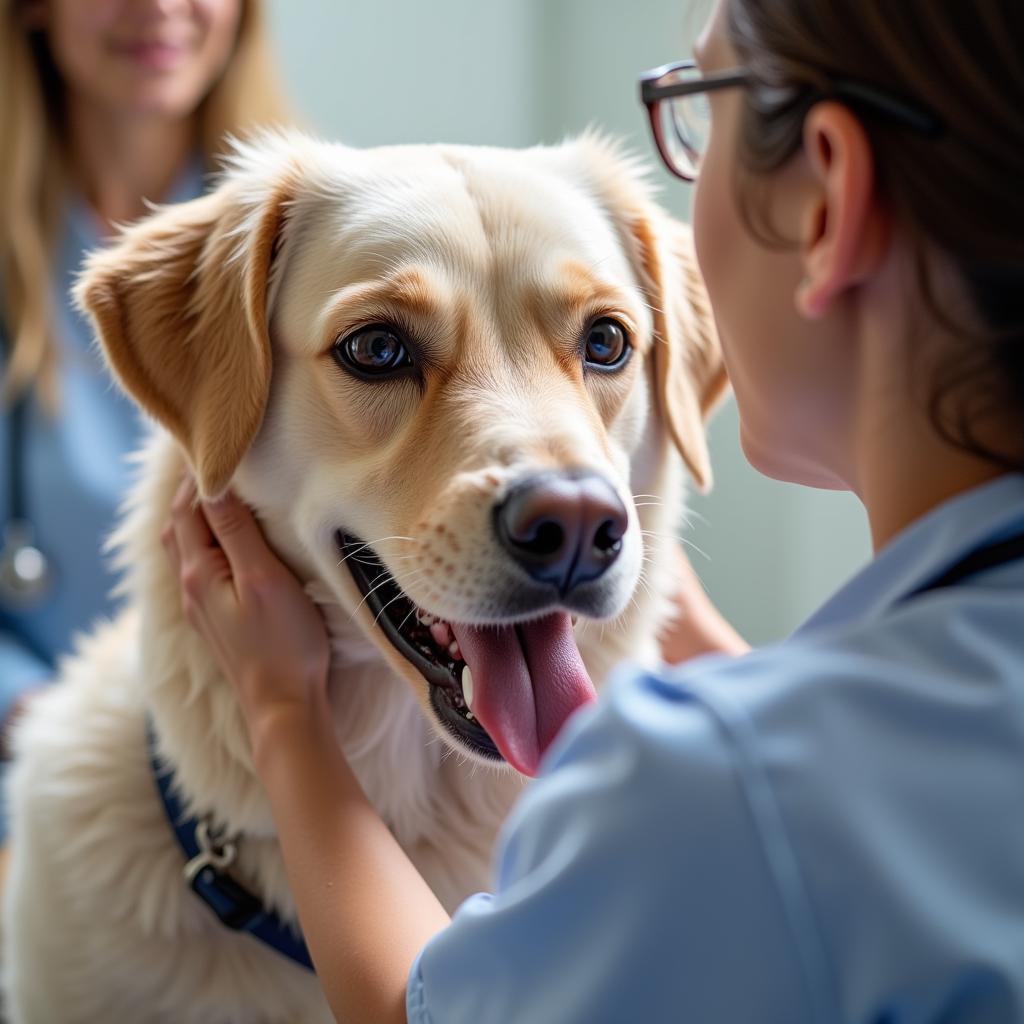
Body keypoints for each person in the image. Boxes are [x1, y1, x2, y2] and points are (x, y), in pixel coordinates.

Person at [165, 0, 1024, 1020]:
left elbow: (417, 1009)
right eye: (381, 349)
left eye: (703, 107)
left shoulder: (705, 785)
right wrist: (690, 635)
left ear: (824, 198)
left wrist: (282, 710)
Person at [0, 0, 288, 784]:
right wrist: (52, 728)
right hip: (47, 780)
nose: (159, 7)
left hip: (278, 777)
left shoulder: (319, 244)